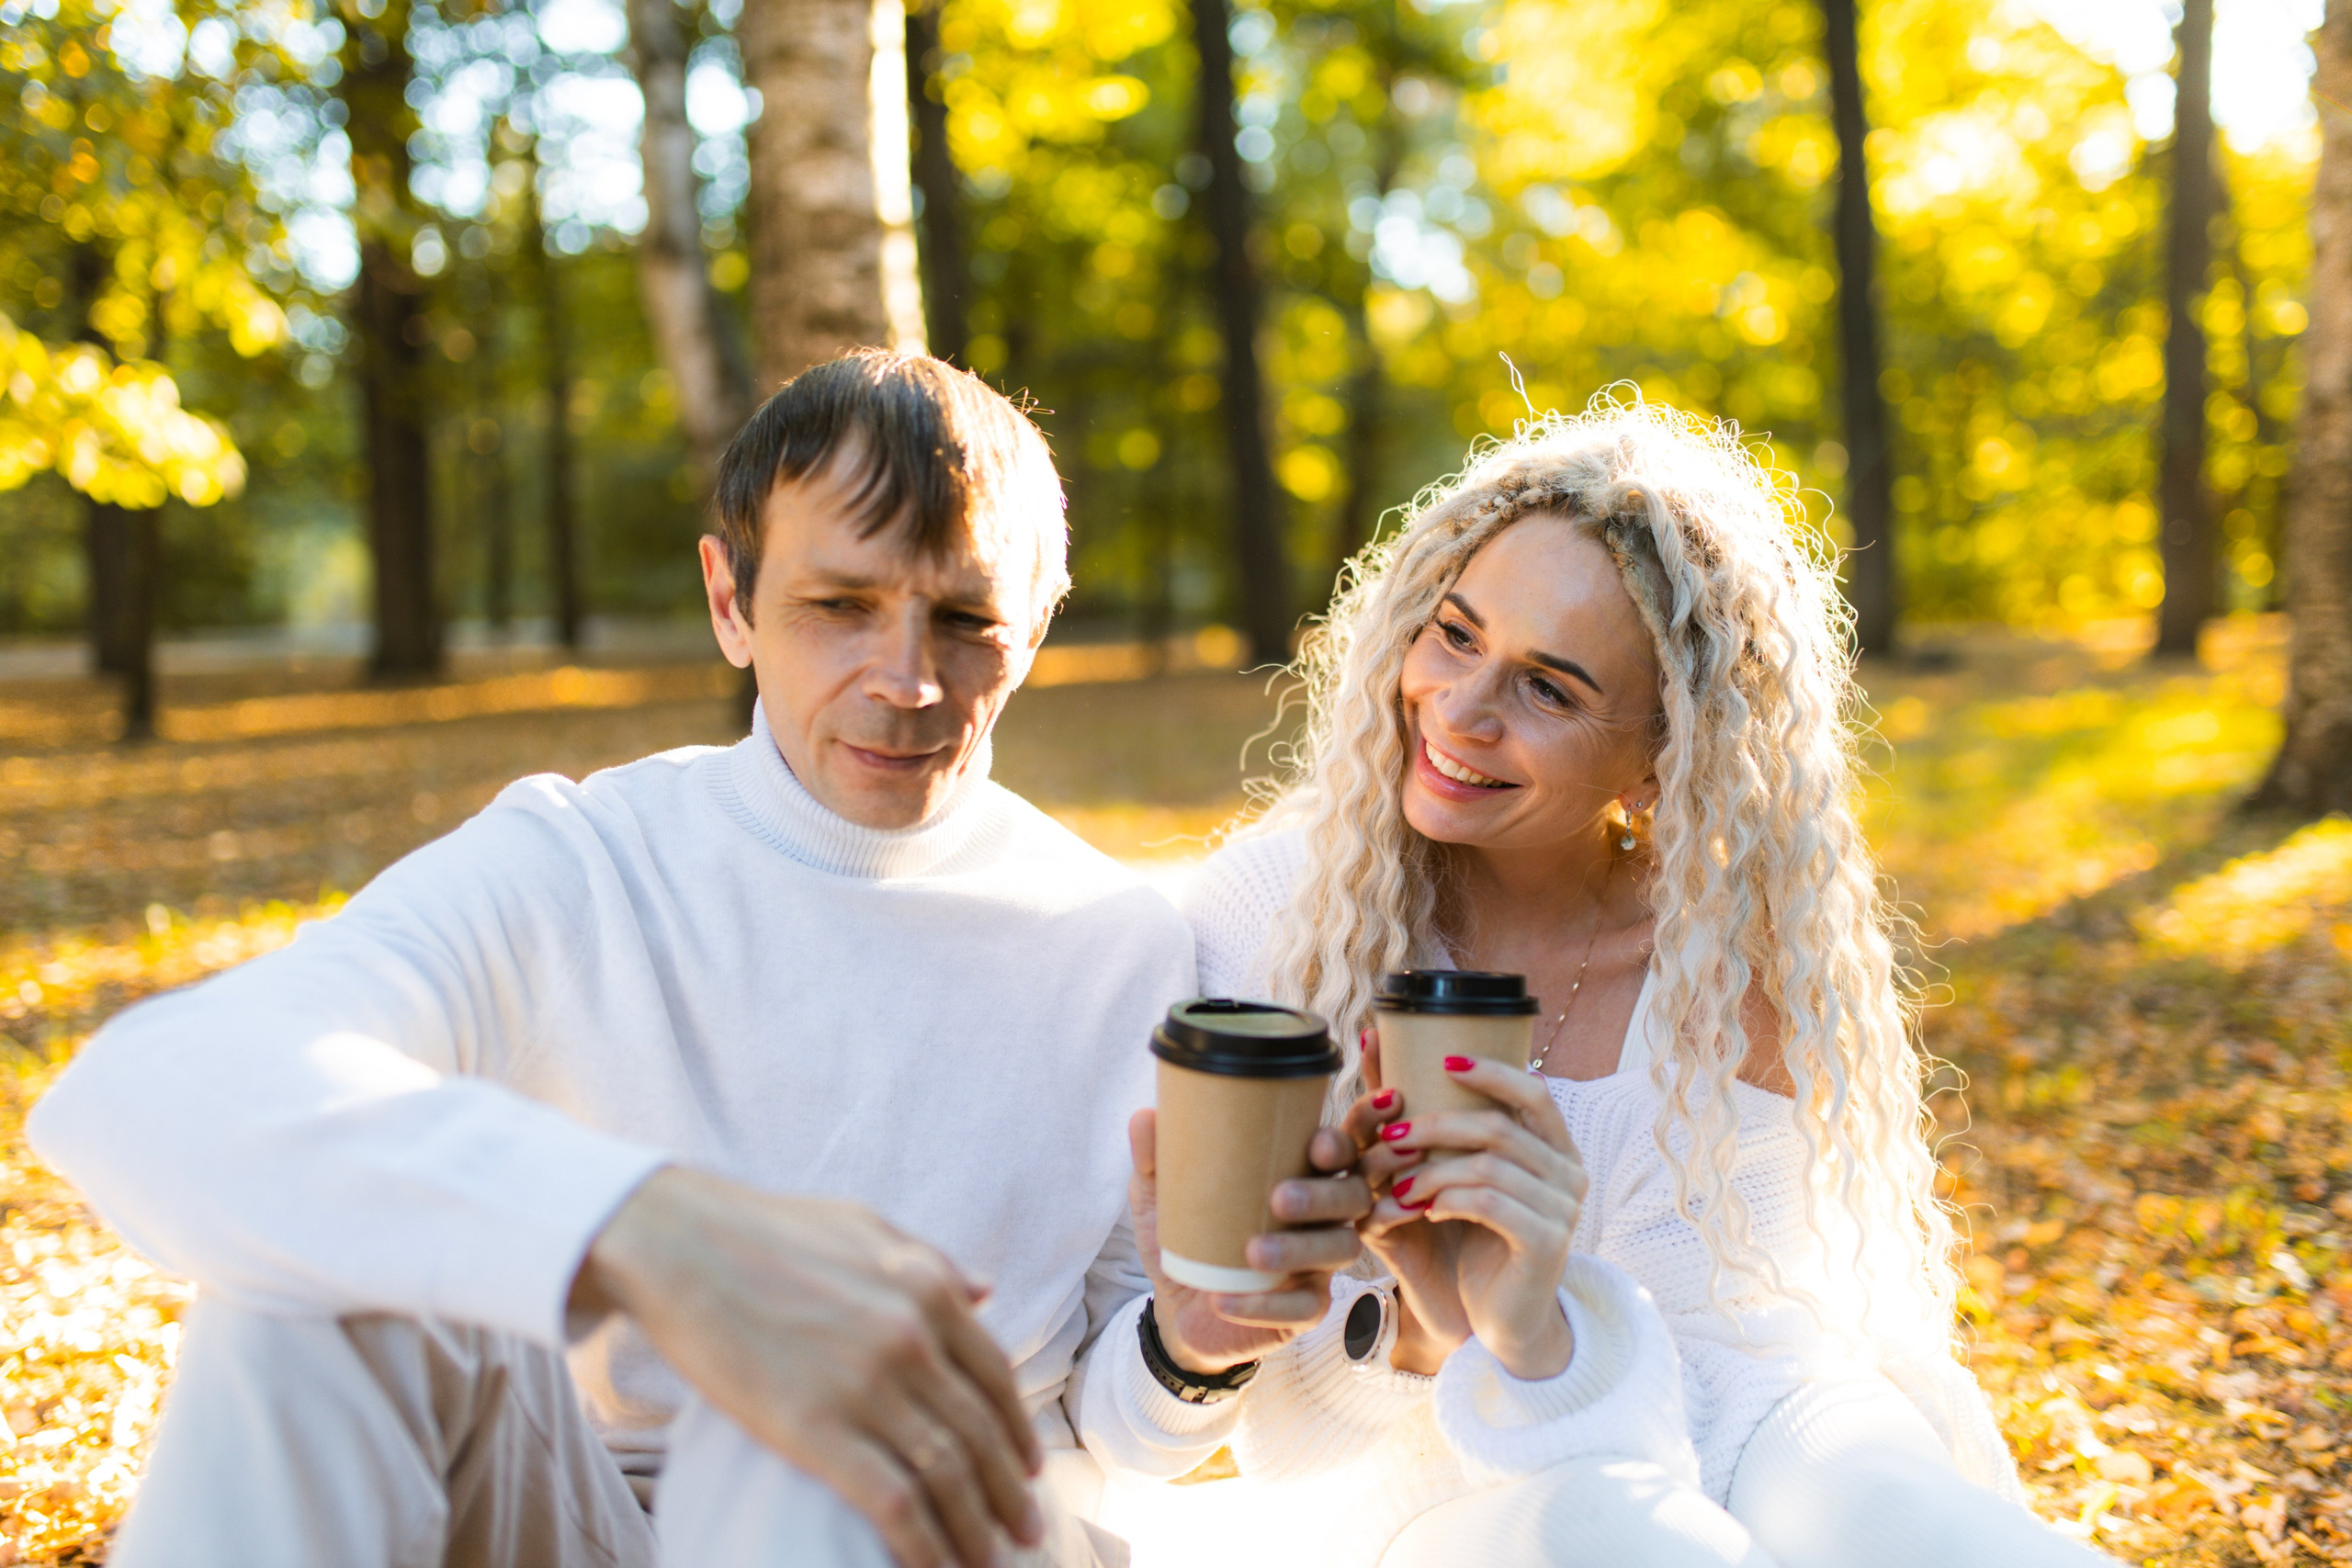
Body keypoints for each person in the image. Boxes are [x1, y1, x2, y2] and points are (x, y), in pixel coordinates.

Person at [26, 352, 1377, 1568]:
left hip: (945, 1525)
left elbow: (1110, 1441)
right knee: (311, 1300)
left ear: (1036, 621)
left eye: (963, 619)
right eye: (838, 604)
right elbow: (140, 1092)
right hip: (581, 1511)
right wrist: (646, 1228)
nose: (906, 678)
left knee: (819, 1427)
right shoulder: (582, 859)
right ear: (730, 598)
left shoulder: (1118, 945)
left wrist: (1192, 1345)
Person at [1161, 399, 2116, 1567]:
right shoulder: (1274, 920)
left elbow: (1749, 1374)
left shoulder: (1721, 965)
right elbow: (1277, 1429)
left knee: (1892, 1499)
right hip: (1406, 1498)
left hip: (1721, 1432)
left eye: (1550, 690)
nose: (1459, 712)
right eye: (1455, 635)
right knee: (1621, 1532)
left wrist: (1557, 1338)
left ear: (1663, 757)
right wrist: (1427, 1328)